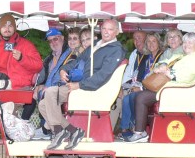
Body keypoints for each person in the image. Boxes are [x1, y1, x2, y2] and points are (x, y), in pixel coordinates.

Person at [39, 18, 125, 150]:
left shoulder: (116, 50)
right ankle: (73, 131)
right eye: (104, 28)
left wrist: (79, 85)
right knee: (42, 104)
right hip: (83, 86)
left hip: (94, 89)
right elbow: (78, 60)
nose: (106, 32)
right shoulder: (96, 44)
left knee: (50, 92)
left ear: (117, 32)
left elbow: (102, 76)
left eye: (110, 29)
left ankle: (58, 131)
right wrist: (64, 69)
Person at [123, 32, 195, 142]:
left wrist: (168, 72)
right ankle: (140, 132)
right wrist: (161, 66)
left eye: (190, 42)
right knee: (140, 96)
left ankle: (140, 132)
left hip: (180, 92)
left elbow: (186, 77)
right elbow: (162, 62)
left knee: (141, 97)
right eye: (185, 42)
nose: (187, 45)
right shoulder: (182, 56)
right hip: (169, 89)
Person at [29, 28, 74, 137]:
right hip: (54, 87)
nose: (53, 42)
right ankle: (69, 131)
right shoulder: (49, 58)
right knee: (36, 95)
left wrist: (47, 87)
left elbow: (64, 75)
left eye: (55, 39)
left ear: (62, 38)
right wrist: (38, 84)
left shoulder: (70, 54)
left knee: (47, 94)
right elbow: (43, 76)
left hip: (67, 86)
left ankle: (47, 129)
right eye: (50, 41)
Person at [117, 33, 162, 134]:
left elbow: (157, 79)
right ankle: (125, 129)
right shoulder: (148, 57)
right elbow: (140, 75)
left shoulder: (161, 56)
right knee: (127, 98)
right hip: (143, 85)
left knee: (132, 97)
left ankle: (134, 126)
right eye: (149, 42)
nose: (151, 44)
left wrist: (141, 88)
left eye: (154, 41)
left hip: (154, 88)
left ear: (159, 43)